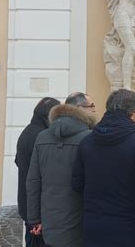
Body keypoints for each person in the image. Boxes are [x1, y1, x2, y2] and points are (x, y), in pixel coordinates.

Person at [72, 89, 135, 247]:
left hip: (95, 229)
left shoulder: (87, 142)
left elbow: (77, 184)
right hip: (132, 230)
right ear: (133, 113)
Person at [26, 92, 97, 247]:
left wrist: (34, 219)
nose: (94, 110)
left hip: (49, 218)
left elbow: (33, 182)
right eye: (91, 106)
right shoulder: (90, 138)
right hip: (80, 218)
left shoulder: (42, 136)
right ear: (79, 108)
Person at [15, 97, 60, 247]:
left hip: (27, 200)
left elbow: (17, 162)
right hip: (35, 204)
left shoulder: (28, 131)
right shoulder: (41, 136)